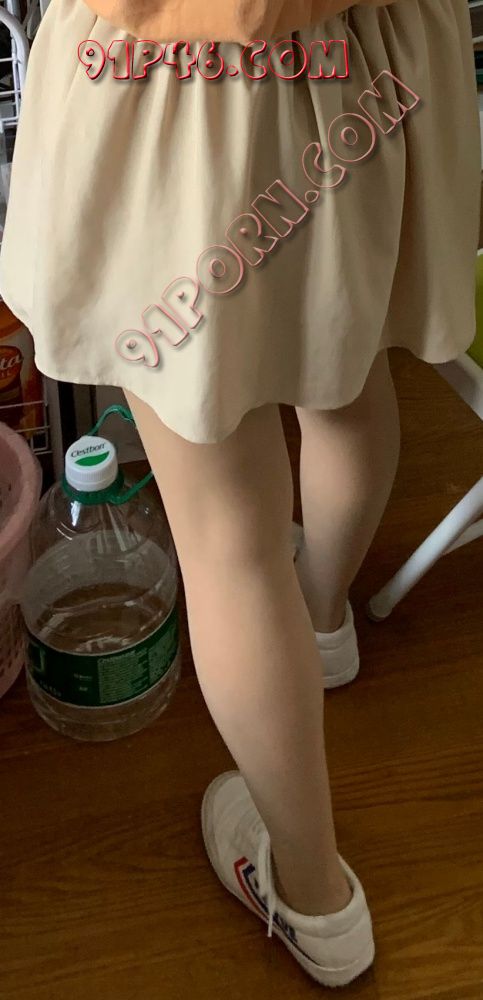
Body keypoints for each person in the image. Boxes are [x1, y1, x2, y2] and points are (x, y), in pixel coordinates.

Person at [0, 0, 480, 987]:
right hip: (370, 69)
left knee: (227, 541)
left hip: (178, 96)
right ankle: (324, 618)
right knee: (346, 378)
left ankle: (314, 899)